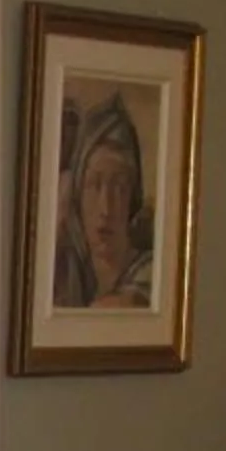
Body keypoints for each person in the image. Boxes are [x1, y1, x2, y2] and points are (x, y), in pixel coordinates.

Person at [52, 89, 155, 309]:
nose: (106, 208)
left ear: (133, 198)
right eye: (94, 185)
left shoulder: (149, 275)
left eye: (119, 188)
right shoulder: (72, 277)